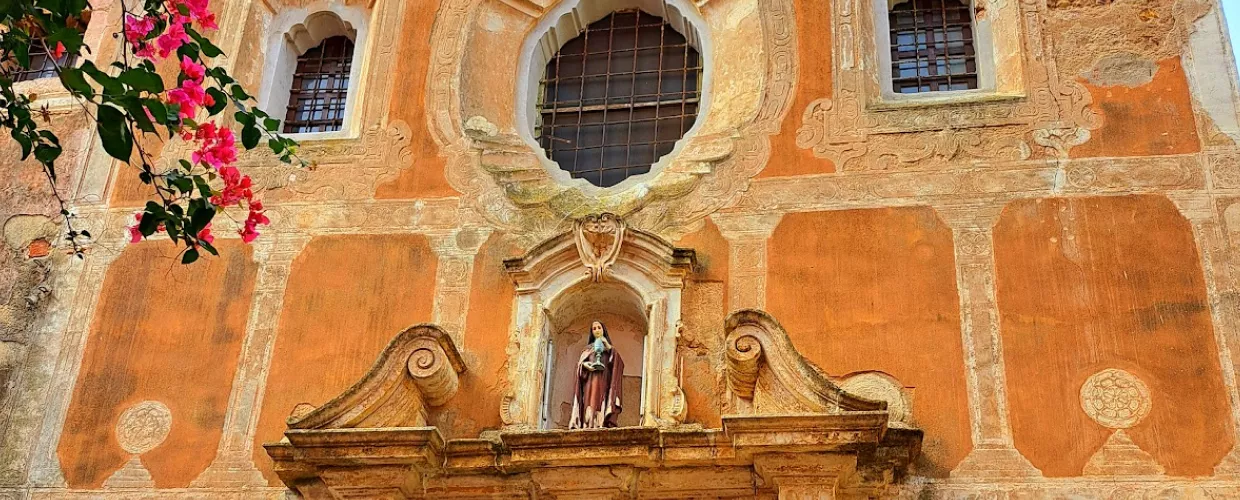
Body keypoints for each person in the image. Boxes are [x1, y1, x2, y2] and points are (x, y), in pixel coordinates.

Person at [569, 321, 625, 429]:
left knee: (601, 399)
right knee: (589, 401)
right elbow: (579, 367)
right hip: (590, 382)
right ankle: (588, 423)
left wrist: (608, 346)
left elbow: (618, 364)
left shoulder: (609, 349)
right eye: (594, 329)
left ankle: (602, 422)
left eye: (599, 327)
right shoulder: (587, 349)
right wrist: (585, 365)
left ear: (603, 330)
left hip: (604, 381)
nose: (597, 330)